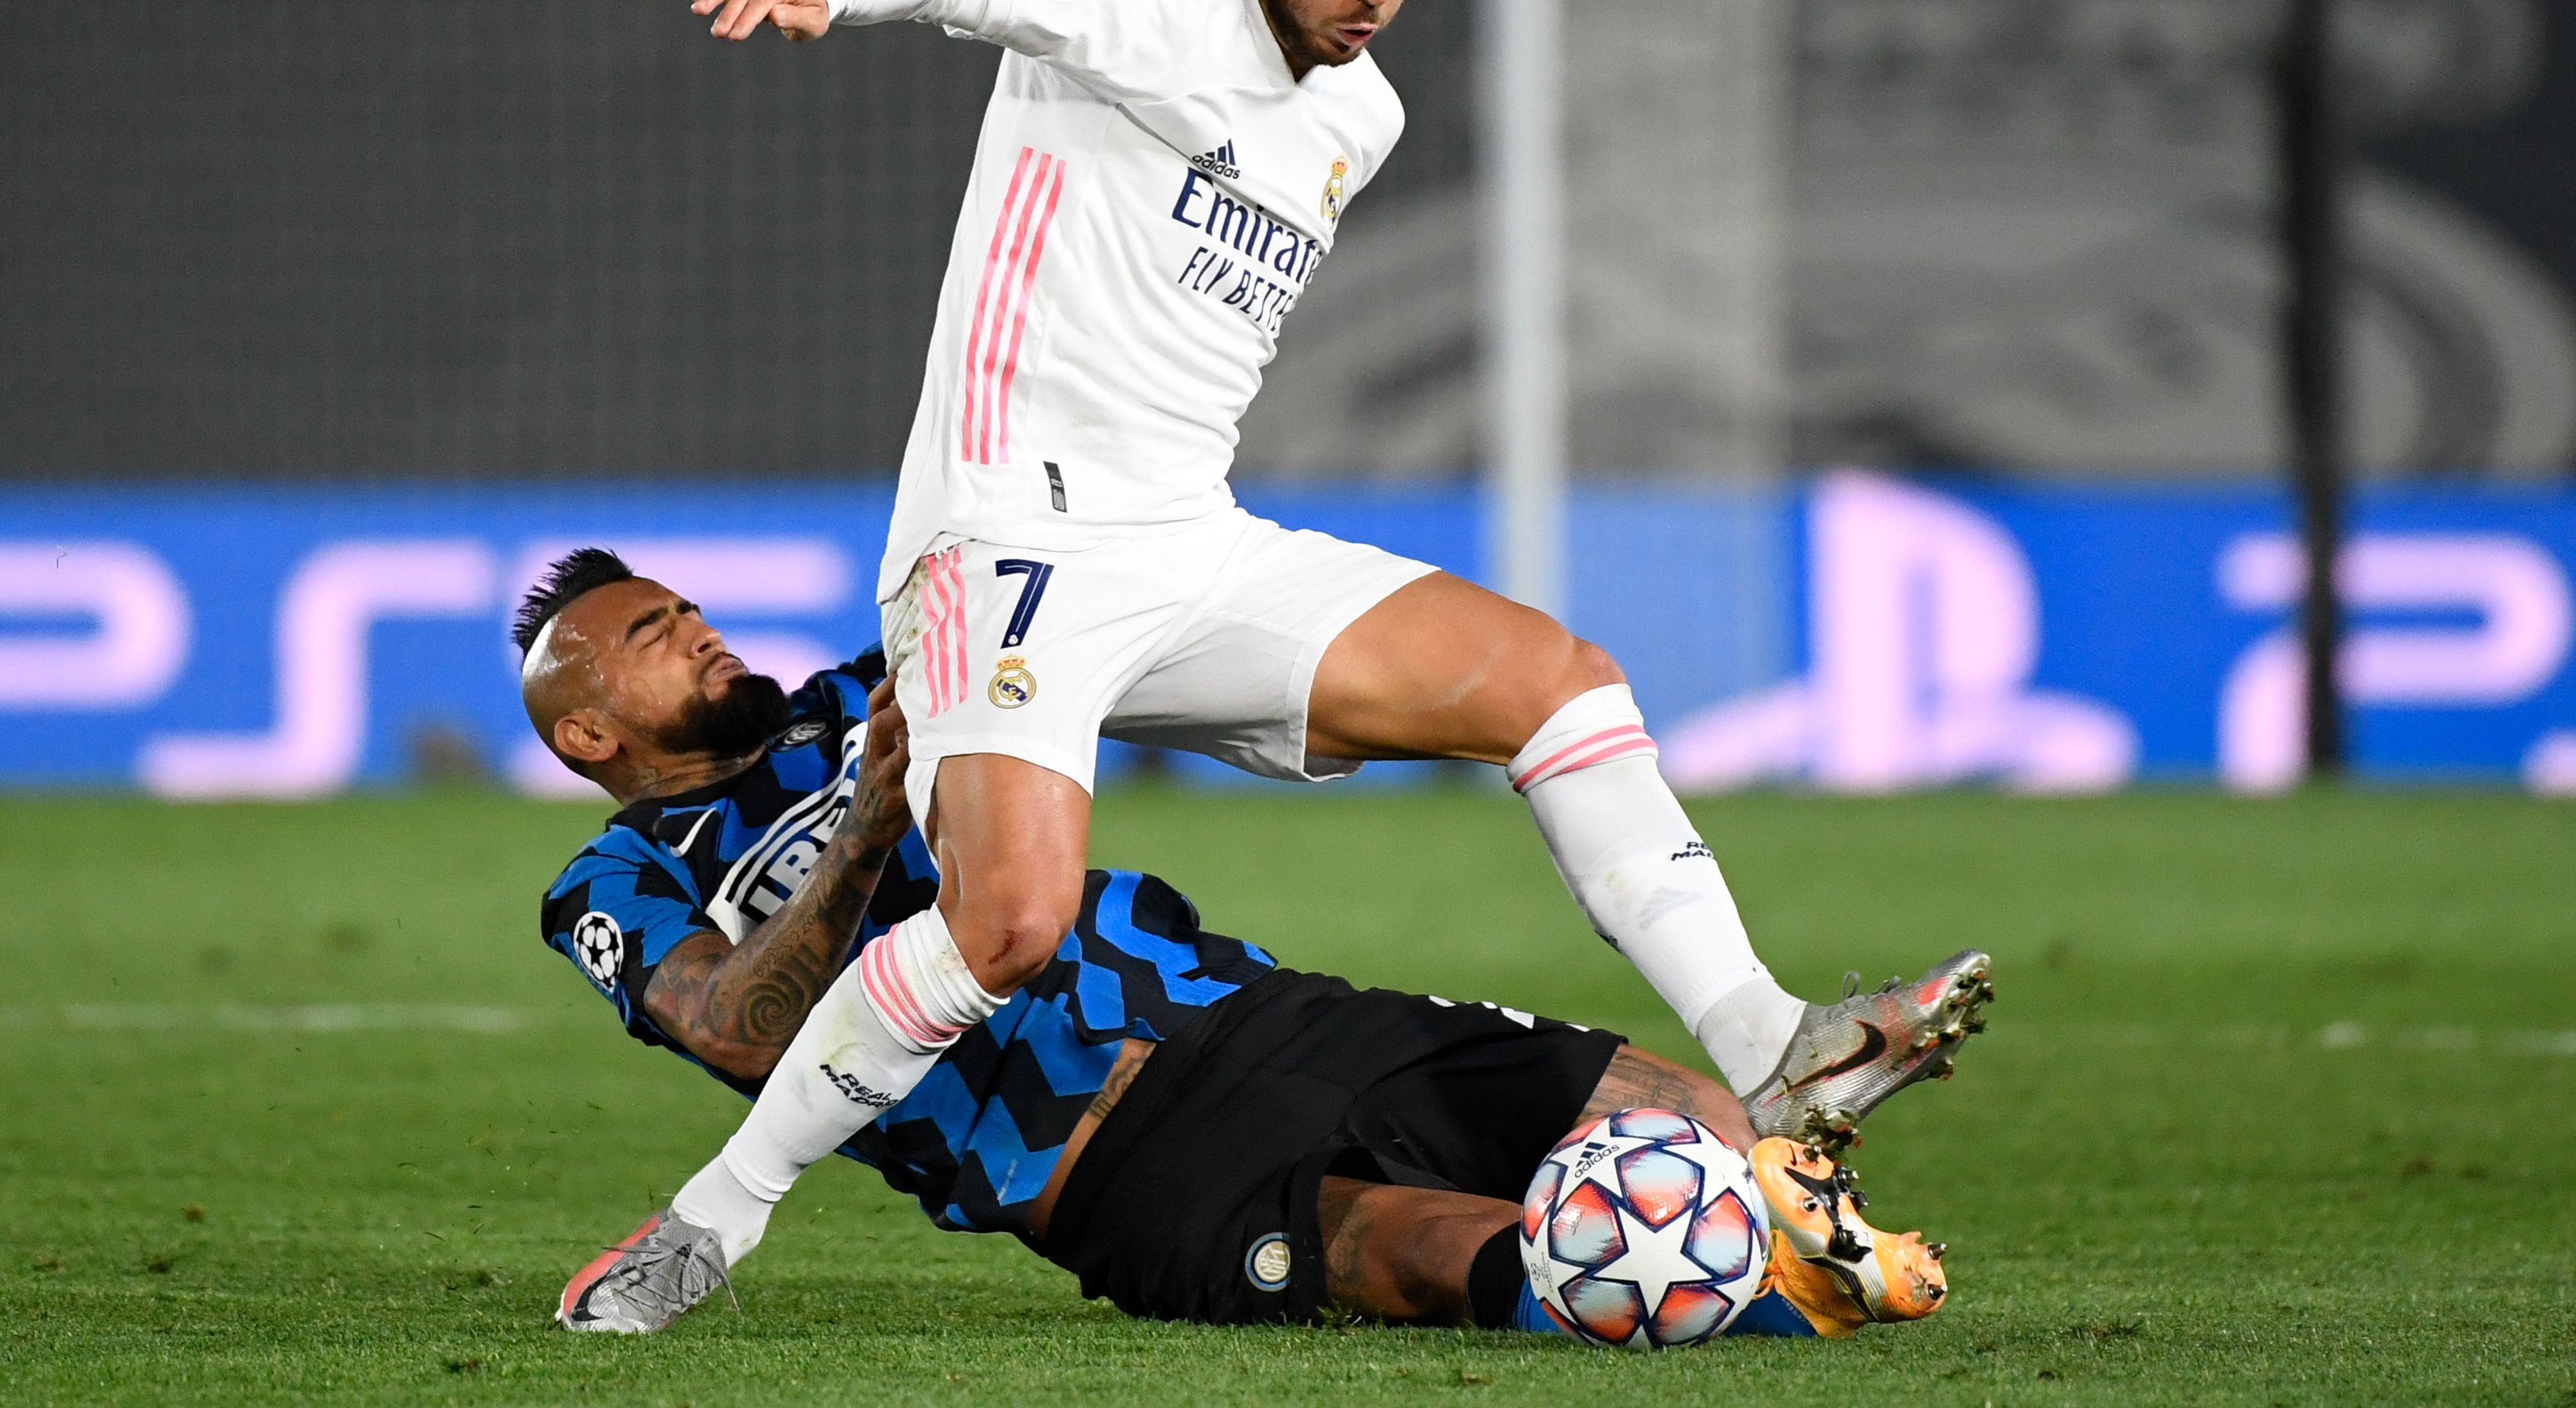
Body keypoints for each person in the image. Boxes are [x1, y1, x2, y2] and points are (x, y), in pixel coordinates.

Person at [637, 0, 1992, 1309]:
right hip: (1006, 544)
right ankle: (713, 1219)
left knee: (1556, 680)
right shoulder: (1142, 1)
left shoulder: (1365, 113)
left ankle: (1770, 1039)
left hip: (1188, 546)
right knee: (1010, 923)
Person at [521, 549, 1949, 1338]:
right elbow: (741, 1030)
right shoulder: (621, 876)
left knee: (1677, 1110)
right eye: (655, 631)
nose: (700, 630)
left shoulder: (871, 688)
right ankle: (1782, 1299)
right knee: (1437, 1254)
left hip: (1249, 1010)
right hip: (1106, 1157)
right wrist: (864, 834)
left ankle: (1794, 1201)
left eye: (689, 605)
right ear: (589, 731)